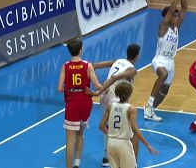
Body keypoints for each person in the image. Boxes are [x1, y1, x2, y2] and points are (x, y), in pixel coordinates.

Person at [143, 0, 188, 122]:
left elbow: (185, 9)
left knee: (166, 89)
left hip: (171, 61)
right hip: (159, 60)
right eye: (174, 15)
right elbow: (172, 10)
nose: (177, 17)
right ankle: (149, 102)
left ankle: (151, 111)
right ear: (168, 17)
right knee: (162, 75)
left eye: (177, 15)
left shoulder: (177, 28)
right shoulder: (163, 27)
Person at [87, 44, 140, 167]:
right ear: (137, 56)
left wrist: (93, 66)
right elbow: (115, 77)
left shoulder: (120, 61)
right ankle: (132, 162)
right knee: (127, 130)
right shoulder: (132, 70)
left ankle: (106, 157)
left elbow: (104, 64)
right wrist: (96, 92)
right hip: (114, 98)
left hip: (105, 97)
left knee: (108, 125)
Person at [57, 38, 102, 168]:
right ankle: (77, 164)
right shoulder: (88, 65)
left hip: (72, 105)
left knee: (70, 141)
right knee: (80, 135)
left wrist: (70, 87)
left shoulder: (65, 67)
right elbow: (98, 86)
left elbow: (59, 88)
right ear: (81, 50)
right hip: (85, 105)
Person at [99, 82, 158, 168]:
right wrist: (147, 145)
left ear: (116, 93)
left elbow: (101, 126)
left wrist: (111, 135)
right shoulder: (131, 109)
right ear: (130, 94)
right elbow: (135, 129)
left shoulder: (110, 106)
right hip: (124, 144)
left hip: (111, 143)